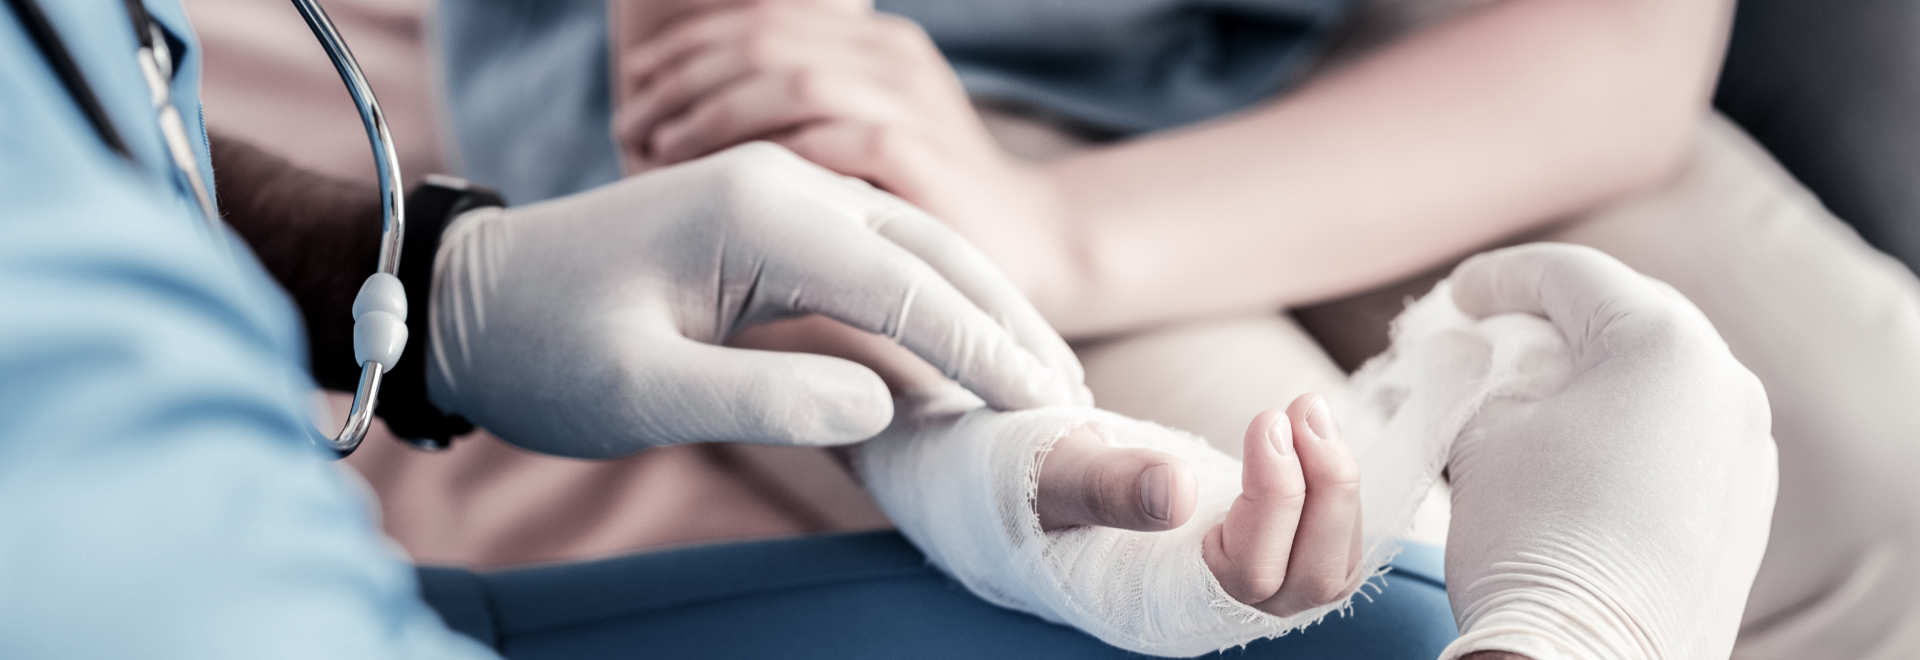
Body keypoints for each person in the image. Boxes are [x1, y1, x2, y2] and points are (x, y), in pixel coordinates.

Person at [496, 0, 1914, 656]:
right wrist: (1578, 633)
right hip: (873, 88)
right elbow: (735, 72)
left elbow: (1617, 45)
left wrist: (1072, 237)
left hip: (1339, 39)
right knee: (1338, 613)